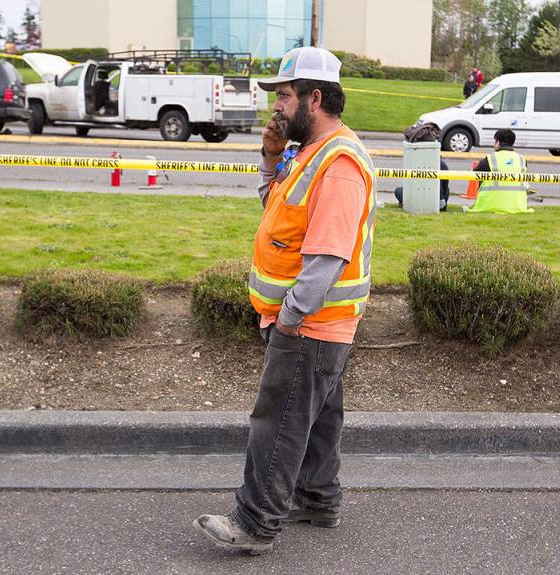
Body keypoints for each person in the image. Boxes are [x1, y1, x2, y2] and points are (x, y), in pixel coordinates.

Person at [193, 46, 376, 556]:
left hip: (309, 322)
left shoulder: (338, 164)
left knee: (277, 422)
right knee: (316, 417)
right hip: (317, 321)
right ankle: (317, 500)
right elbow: (277, 210)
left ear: (314, 99)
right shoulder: (311, 153)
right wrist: (272, 156)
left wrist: (291, 317)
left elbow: (327, 257)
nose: (276, 106)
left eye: (285, 96)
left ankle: (254, 523)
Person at [466, 128, 531, 214]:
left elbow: (474, 174)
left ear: (498, 143)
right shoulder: (521, 159)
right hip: (518, 206)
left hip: (489, 205)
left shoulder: (491, 158)